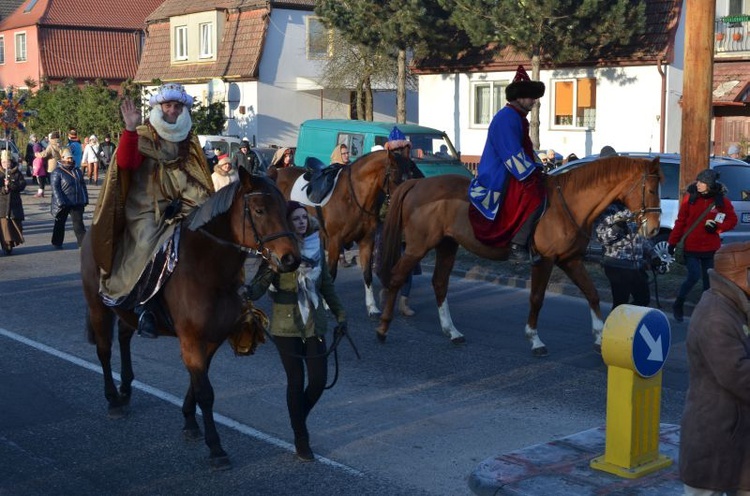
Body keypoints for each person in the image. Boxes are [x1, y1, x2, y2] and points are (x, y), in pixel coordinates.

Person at [94, 83, 213, 338]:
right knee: (149, 238)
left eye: (177, 106)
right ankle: (143, 304)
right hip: (146, 208)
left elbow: (197, 176)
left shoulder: (189, 138)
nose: (172, 111)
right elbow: (126, 162)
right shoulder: (143, 134)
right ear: (159, 108)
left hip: (184, 202)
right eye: (168, 106)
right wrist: (129, 129)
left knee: (213, 230)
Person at [246, 201, 347, 462]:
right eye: (296, 218)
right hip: (285, 326)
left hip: (315, 323)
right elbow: (257, 289)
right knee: (295, 381)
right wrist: (247, 290)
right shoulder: (277, 252)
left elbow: (325, 284)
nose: (302, 222)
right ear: (287, 224)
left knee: (318, 380)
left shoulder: (316, 246)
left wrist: (341, 314)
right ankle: (301, 439)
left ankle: (296, 418)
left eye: (304, 217)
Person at [679, 241, 750, 496]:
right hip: (713, 440)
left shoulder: (736, 307)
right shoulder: (716, 316)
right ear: (741, 275)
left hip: (734, 436)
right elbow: (738, 375)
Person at [468, 65, 546, 263]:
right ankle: (517, 244)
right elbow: (510, 152)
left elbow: (527, 150)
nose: (534, 101)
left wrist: (538, 166)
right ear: (519, 97)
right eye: (530, 96)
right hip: (499, 172)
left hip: (512, 169)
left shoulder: (518, 117)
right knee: (534, 195)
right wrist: (530, 173)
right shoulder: (507, 117)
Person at [668, 168, 737, 322]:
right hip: (691, 247)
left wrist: (718, 228)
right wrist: (672, 242)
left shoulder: (722, 201)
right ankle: (678, 303)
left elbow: (732, 220)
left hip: (710, 248)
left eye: (702, 182)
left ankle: (706, 311)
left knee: (709, 281)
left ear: (710, 185)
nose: (698, 184)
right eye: (698, 181)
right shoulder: (690, 198)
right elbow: (680, 222)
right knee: (693, 276)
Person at [382, 127, 425, 316]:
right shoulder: (386, 170)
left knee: (408, 262)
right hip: (390, 224)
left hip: (409, 223)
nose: (400, 153)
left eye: (402, 150)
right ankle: (387, 291)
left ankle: (404, 301)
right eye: (396, 150)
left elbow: (423, 183)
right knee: (389, 262)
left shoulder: (411, 167)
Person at [594, 203, 661, 308]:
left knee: (643, 300)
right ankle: (615, 322)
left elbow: (643, 238)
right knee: (620, 303)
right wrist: (616, 227)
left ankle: (626, 321)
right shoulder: (607, 210)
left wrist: (653, 255)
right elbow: (602, 239)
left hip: (637, 266)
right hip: (617, 264)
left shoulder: (636, 208)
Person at [49, 147, 88, 249]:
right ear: (62, 158)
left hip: (76, 202)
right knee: (60, 223)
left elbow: (82, 185)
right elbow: (55, 188)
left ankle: (83, 243)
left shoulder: (77, 170)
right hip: (63, 202)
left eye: (71, 158)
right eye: (68, 158)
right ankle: (57, 242)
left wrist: (85, 199)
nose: (70, 160)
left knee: (79, 224)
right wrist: (60, 201)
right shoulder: (57, 171)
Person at [0, 149, 26, 253]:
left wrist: (11, 185)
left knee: (15, 225)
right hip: (2, 205)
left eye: (8, 162)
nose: (6, 164)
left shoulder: (16, 172)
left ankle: (11, 243)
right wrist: (4, 188)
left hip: (14, 204)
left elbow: (22, 184)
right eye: (4, 162)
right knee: (4, 227)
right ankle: (6, 245)